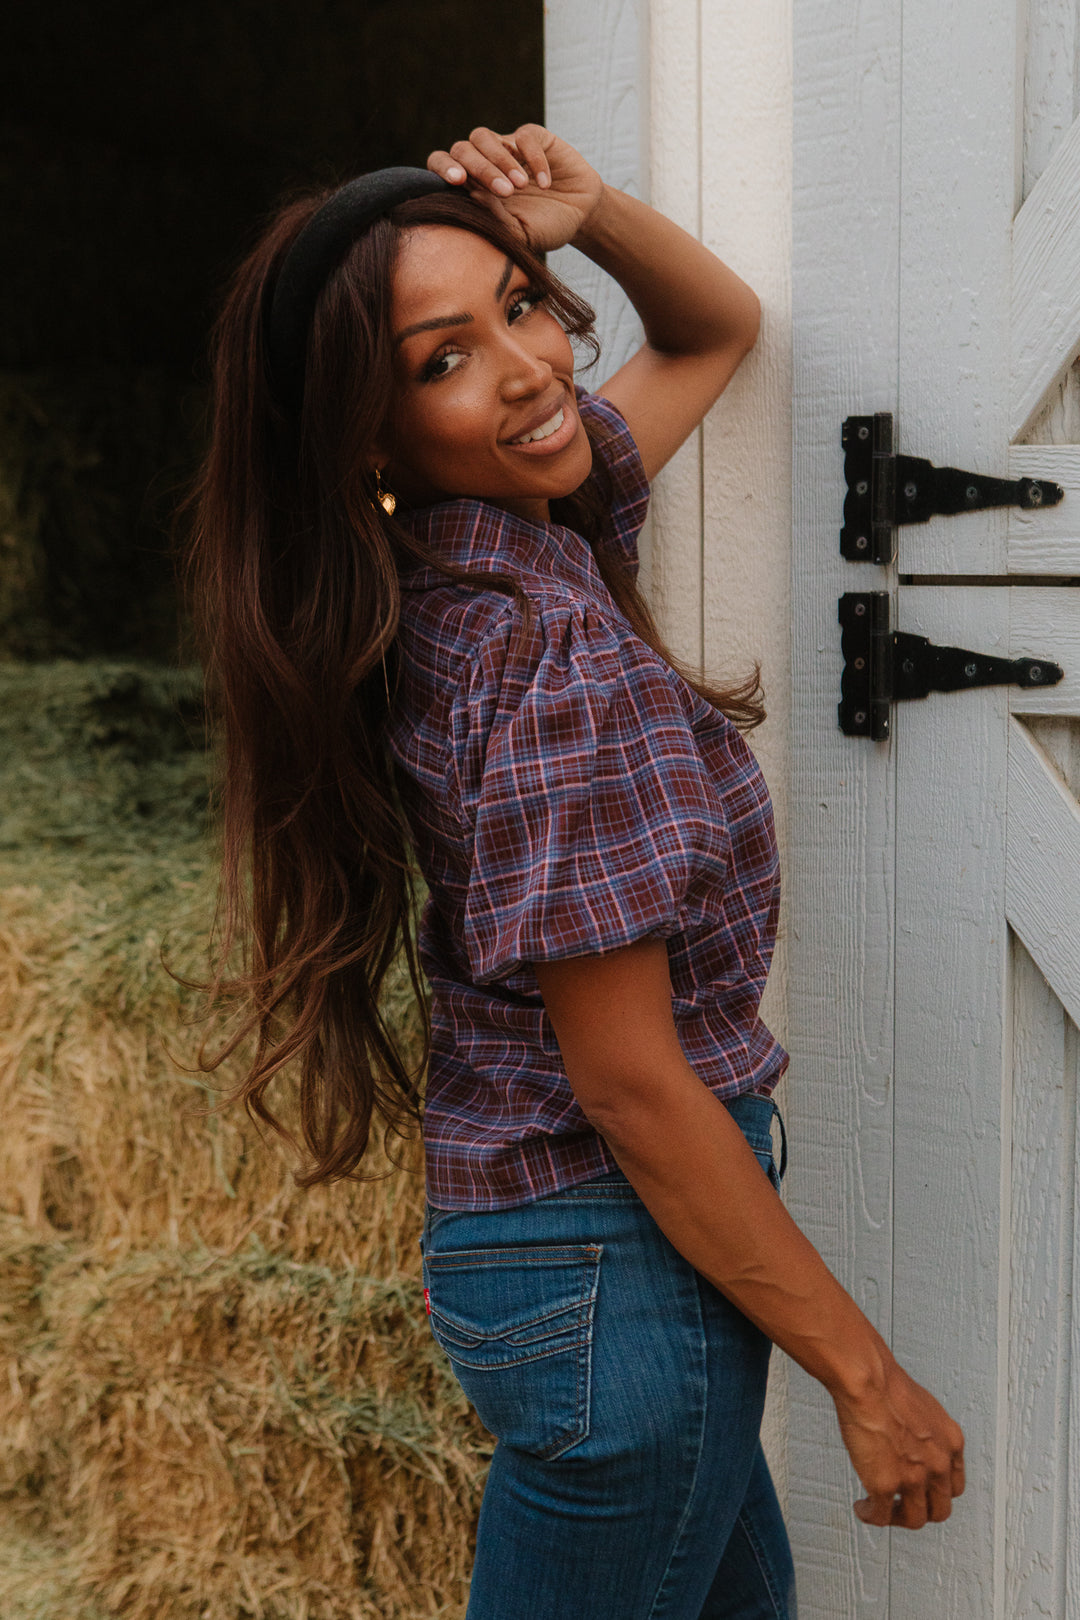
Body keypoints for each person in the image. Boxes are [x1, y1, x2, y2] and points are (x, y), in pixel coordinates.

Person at [186, 122, 965, 1619]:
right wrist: (867, 1377)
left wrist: (586, 210)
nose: (531, 366)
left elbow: (713, 326)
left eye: (523, 304)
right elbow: (629, 1082)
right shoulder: (538, 651)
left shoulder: (471, 560)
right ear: (368, 433)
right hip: (620, 1285)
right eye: (442, 360)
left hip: (581, 1278)